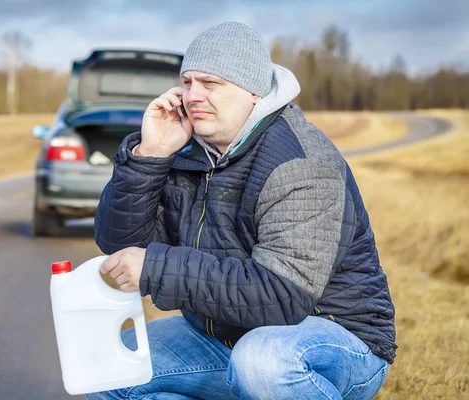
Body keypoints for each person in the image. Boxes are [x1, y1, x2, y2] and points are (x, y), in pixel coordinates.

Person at [90, 21, 397, 400]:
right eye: (187, 82)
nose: (192, 96)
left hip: (330, 335)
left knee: (262, 362)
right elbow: (119, 242)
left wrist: (153, 267)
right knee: (108, 365)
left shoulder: (300, 161)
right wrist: (150, 156)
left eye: (211, 83)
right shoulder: (185, 149)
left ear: (253, 92)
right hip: (224, 335)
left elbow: (282, 294)